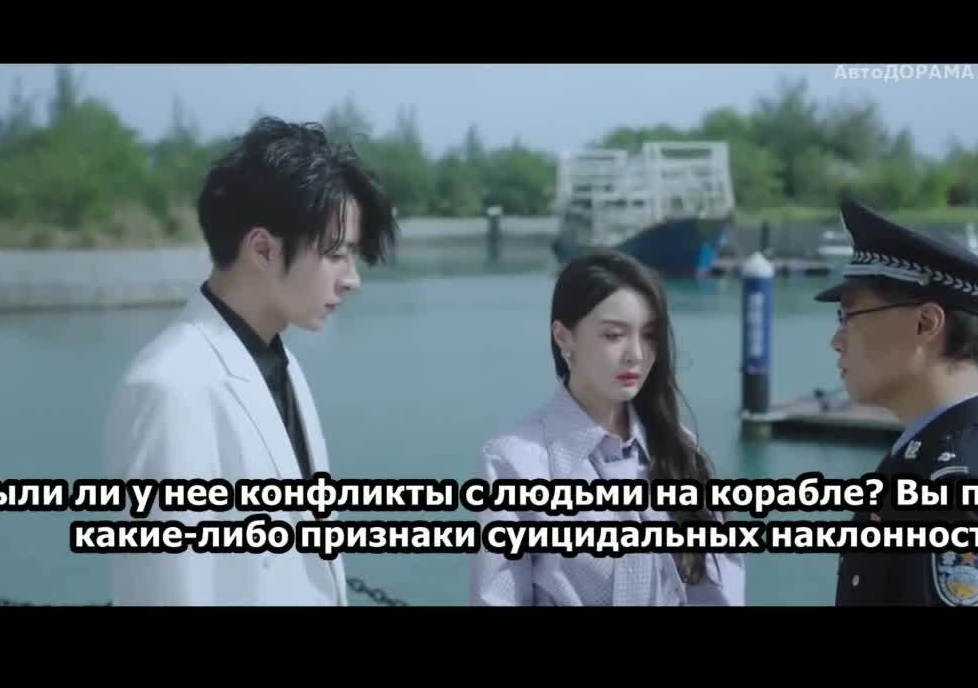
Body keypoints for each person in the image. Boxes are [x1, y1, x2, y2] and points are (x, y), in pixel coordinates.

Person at [102, 117, 397, 606]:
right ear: (262, 249)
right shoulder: (169, 389)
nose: (351, 279)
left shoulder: (281, 365)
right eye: (336, 255)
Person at [469, 249, 745, 606]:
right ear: (563, 336)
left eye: (649, 335)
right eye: (614, 335)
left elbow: (719, 592)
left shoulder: (679, 450)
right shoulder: (514, 464)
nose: (636, 354)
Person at [816, 198, 978, 606]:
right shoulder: (954, 453)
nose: (836, 341)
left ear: (925, 323)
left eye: (849, 317)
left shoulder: (961, 488)